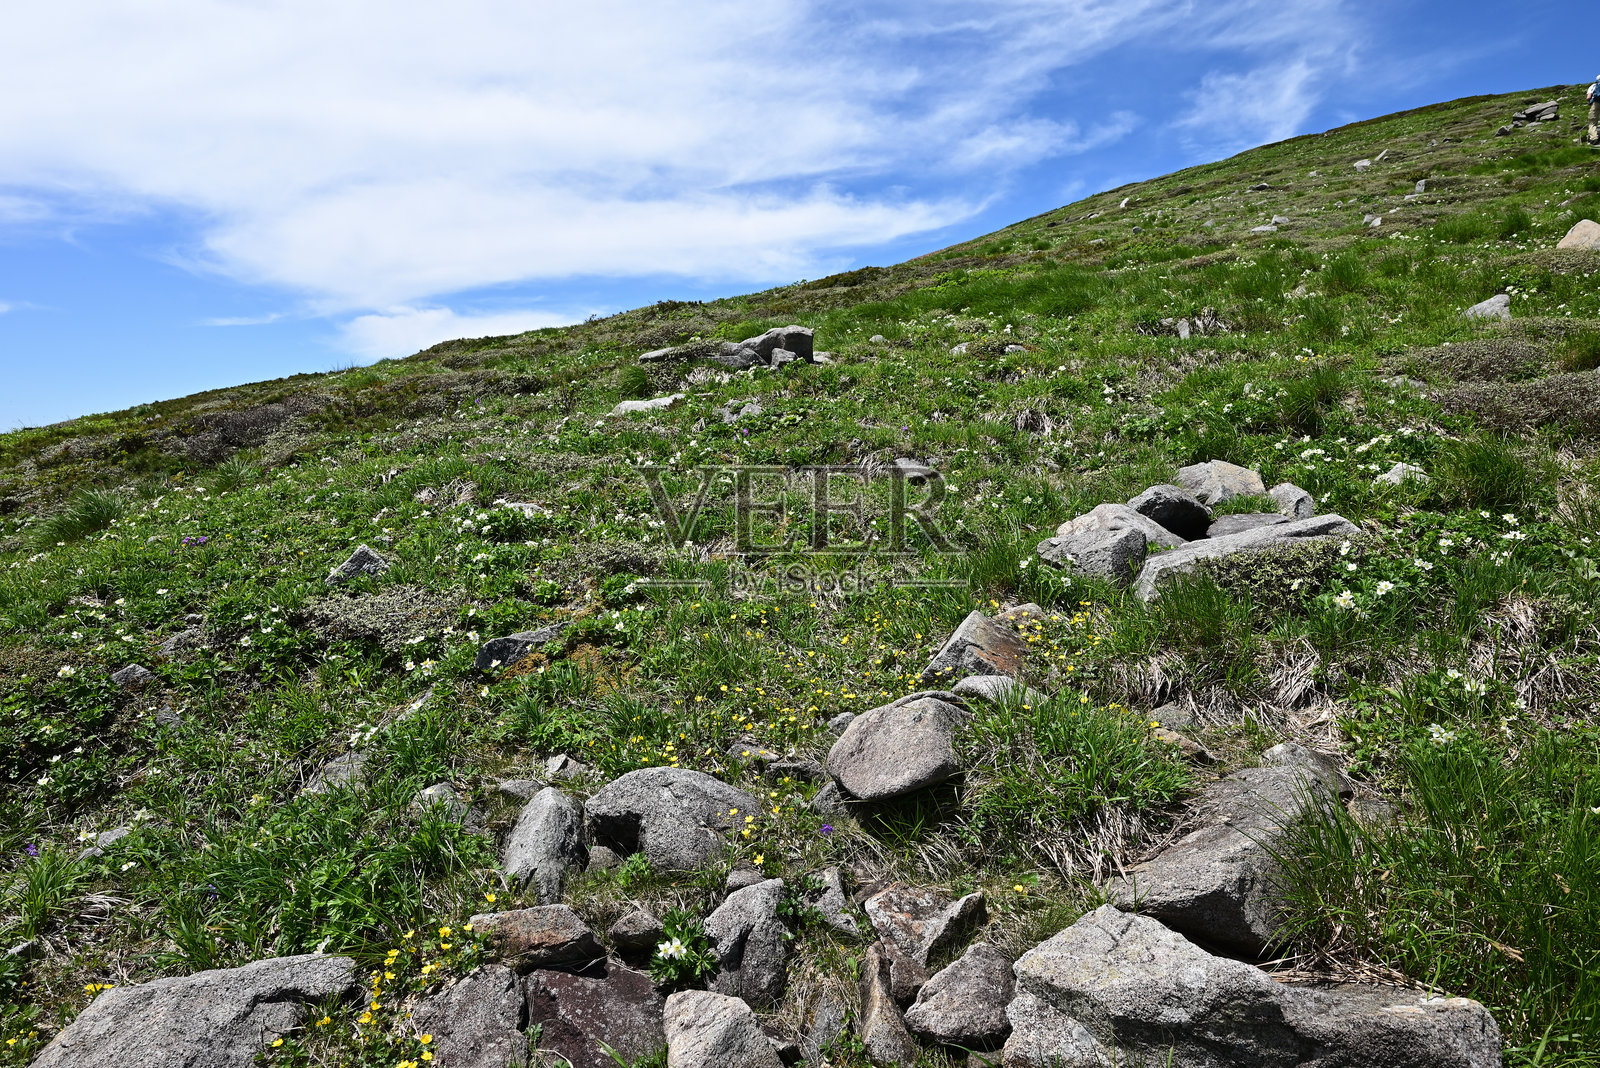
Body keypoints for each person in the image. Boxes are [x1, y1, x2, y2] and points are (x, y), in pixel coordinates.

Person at [1589, 75, 1600, 144]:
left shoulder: (1593, 86)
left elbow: (1588, 97)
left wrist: (1589, 102)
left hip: (1595, 103)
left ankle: (1594, 139)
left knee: (1592, 122)